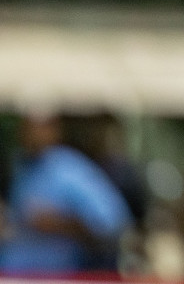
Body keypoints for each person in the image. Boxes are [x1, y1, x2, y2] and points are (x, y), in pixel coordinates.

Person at [0, 109, 132, 273]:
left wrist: (59, 224)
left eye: (39, 127)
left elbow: (112, 223)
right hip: (15, 273)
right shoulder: (22, 166)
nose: (31, 134)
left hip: (57, 275)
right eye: (27, 126)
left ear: (55, 129)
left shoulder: (69, 168)